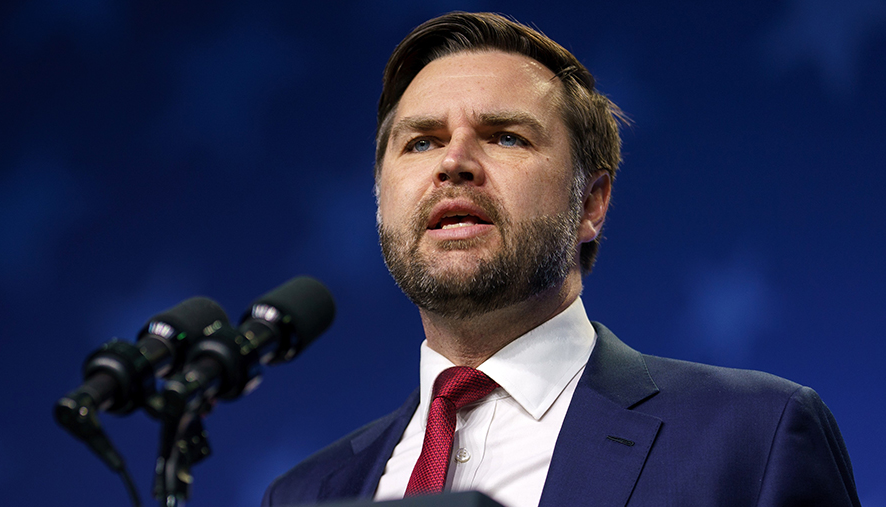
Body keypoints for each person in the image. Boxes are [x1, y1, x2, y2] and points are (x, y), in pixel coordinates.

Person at [262, 11, 859, 507]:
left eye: (505, 136)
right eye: (422, 142)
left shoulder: (755, 436)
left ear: (590, 205)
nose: (453, 163)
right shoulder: (303, 493)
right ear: (381, 196)